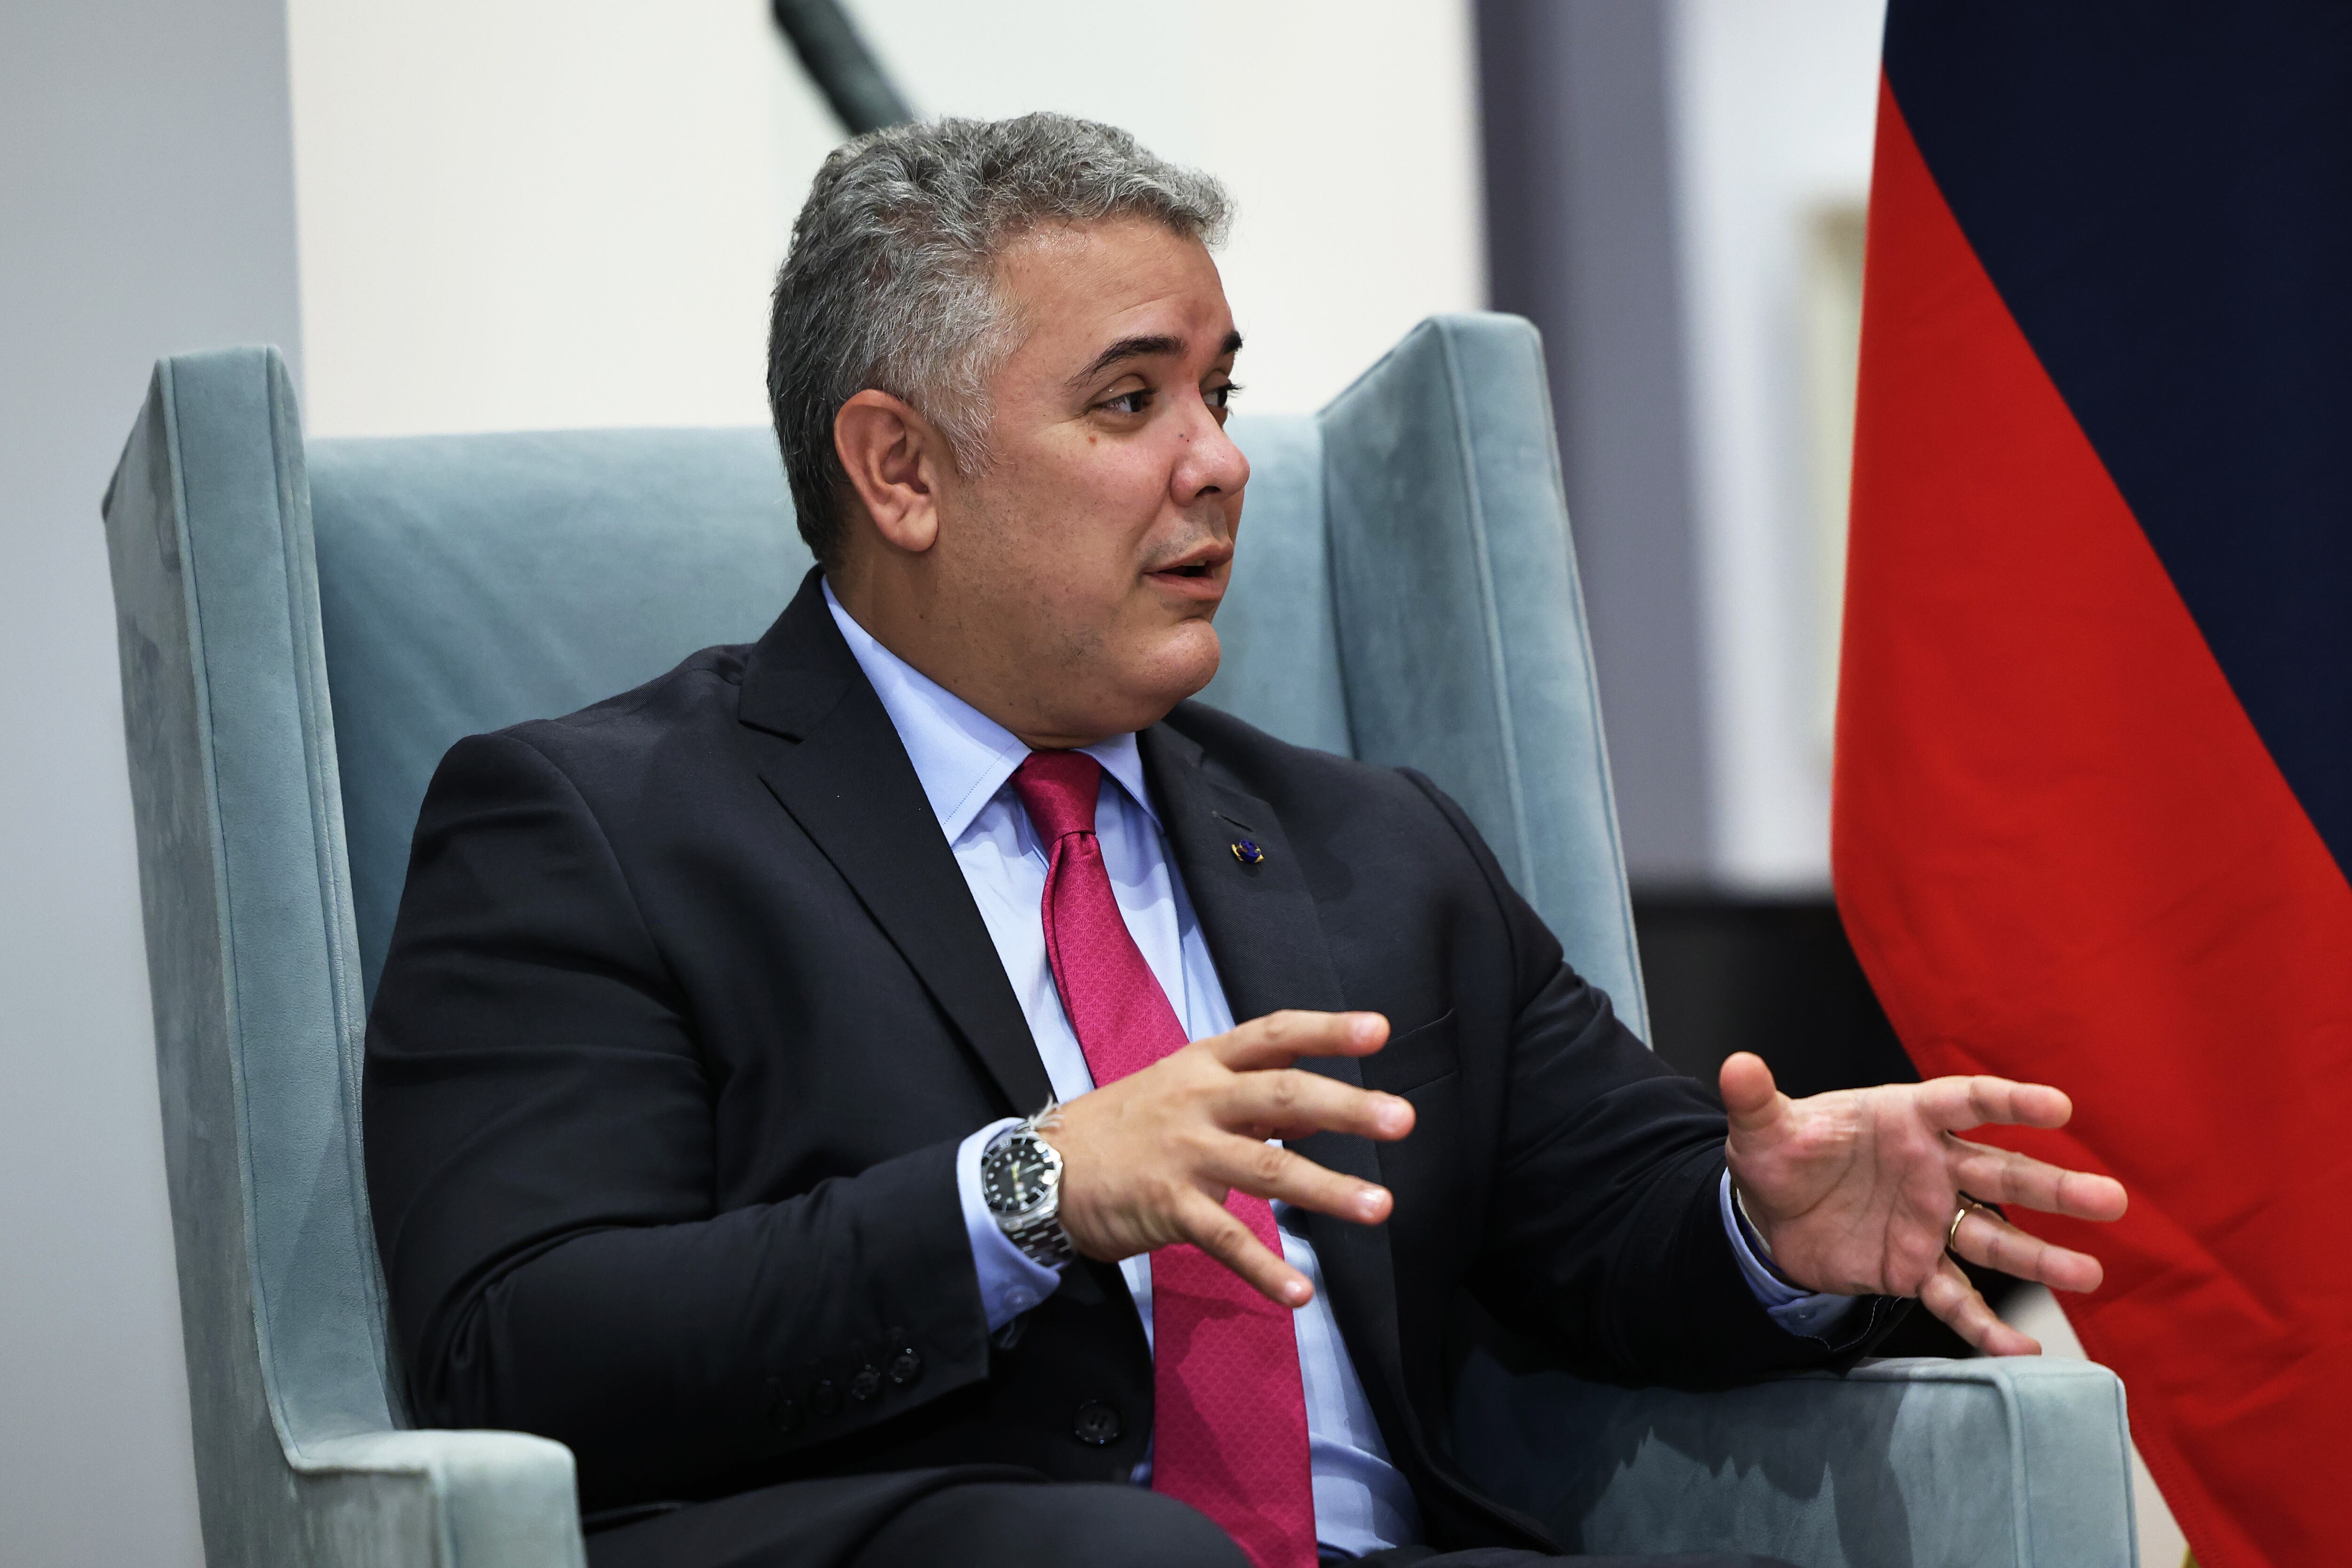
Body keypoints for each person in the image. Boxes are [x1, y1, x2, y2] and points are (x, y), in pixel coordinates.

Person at [362, 113, 2126, 1568]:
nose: (1219, 464)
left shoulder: (1372, 846)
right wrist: (1029, 1193)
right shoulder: (597, 823)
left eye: (1218, 393)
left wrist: (1766, 1229)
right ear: (898, 471)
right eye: (1132, 404)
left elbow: (1615, 1221)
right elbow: (519, 1345)